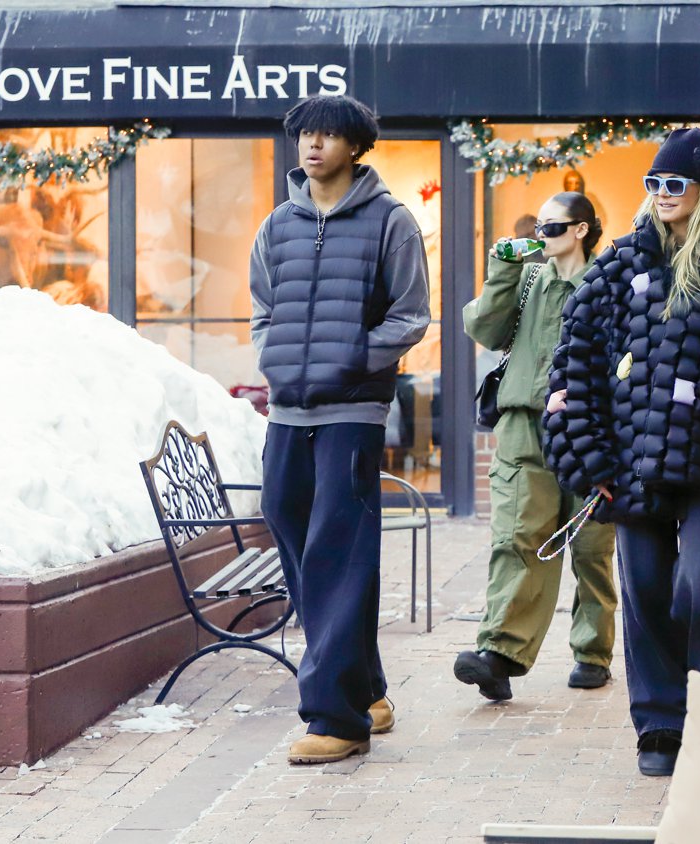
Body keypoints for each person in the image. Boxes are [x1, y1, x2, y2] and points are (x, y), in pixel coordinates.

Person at [543, 128, 700, 776]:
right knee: (648, 592)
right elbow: (578, 360)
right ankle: (660, 724)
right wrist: (590, 456)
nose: (661, 195)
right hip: (633, 465)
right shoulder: (620, 265)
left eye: (674, 184)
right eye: (652, 184)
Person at [249, 94, 431, 764]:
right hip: (288, 411)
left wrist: (351, 358)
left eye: (328, 135)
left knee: (337, 550)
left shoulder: (391, 222)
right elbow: (263, 308)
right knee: (290, 525)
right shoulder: (278, 225)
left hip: (352, 412)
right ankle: (368, 689)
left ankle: (337, 717)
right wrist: (276, 359)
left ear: (354, 146)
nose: (313, 145)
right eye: (305, 134)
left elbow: (411, 316)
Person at [455, 191, 618, 702]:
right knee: (518, 537)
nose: (539, 237)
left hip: (593, 429)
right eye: (536, 228)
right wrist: (501, 272)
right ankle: (499, 654)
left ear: (581, 230)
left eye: (551, 228)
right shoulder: (525, 280)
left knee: (591, 546)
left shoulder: (608, 283)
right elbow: (482, 327)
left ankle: (592, 652)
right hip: (524, 425)